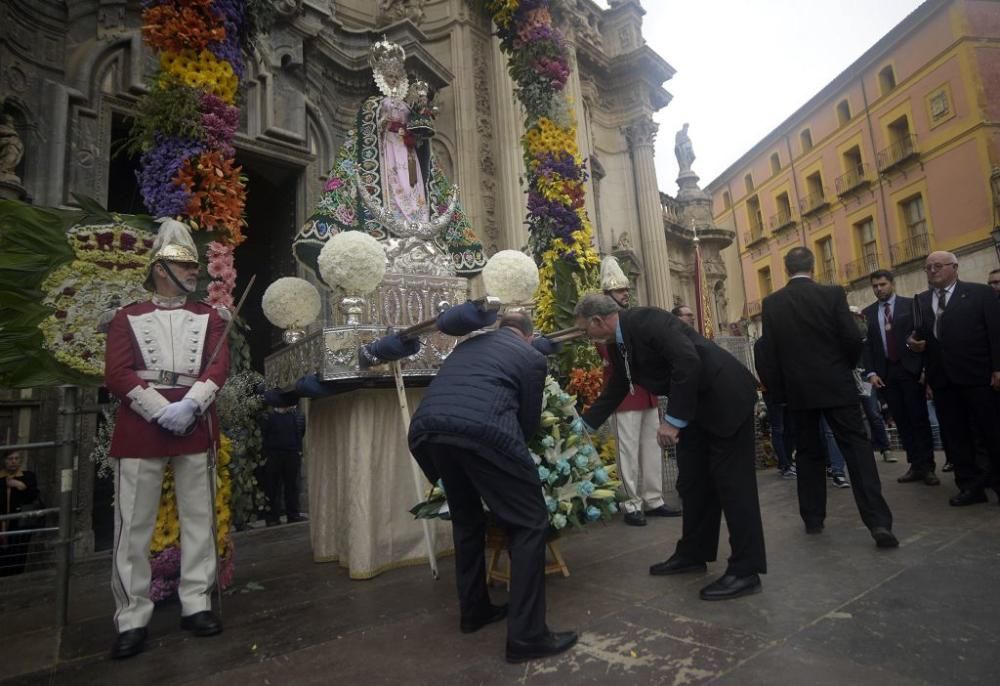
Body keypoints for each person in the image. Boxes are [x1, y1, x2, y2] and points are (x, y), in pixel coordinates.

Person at [408, 311, 577, 664]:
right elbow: (527, 422)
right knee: (529, 524)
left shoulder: (467, 346)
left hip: (428, 432)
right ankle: (528, 637)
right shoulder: (531, 357)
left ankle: (474, 612)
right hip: (484, 433)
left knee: (467, 521)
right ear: (528, 336)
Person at [576, 294, 766, 601]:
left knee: (734, 487)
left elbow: (687, 361)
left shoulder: (647, 320)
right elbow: (619, 386)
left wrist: (673, 421)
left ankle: (746, 570)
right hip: (697, 408)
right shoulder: (617, 342)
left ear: (598, 321)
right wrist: (583, 426)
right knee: (693, 483)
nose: (587, 336)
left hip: (724, 399)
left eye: (586, 330)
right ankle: (693, 552)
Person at [103, 219, 229, 659]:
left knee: (200, 518)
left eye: (196, 266)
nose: (195, 273)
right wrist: (161, 409)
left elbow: (218, 367)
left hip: (195, 420)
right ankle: (132, 616)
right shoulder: (126, 318)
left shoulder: (210, 317)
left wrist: (190, 406)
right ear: (161, 269)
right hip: (141, 423)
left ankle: (196, 602)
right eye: (185, 266)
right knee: (133, 526)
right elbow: (117, 373)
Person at [758, 247, 897, 549]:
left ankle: (813, 518)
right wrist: (843, 367)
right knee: (857, 450)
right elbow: (851, 338)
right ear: (813, 265)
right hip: (836, 385)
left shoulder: (772, 303)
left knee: (808, 453)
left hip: (798, 391)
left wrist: (780, 391)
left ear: (786, 268)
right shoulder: (832, 294)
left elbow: (768, 352)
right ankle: (878, 522)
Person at [908, 251, 1000, 506]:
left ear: (955, 267)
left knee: (990, 431)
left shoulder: (980, 294)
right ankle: (970, 486)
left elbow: (995, 331)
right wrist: (912, 343)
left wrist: (997, 368)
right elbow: (916, 335)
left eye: (938, 266)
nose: (933, 271)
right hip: (943, 380)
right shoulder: (922, 301)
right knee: (955, 436)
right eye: (928, 267)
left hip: (978, 376)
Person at [597, 257, 680, 526]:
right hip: (624, 394)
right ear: (608, 294)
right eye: (621, 291)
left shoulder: (634, 318)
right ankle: (631, 502)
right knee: (628, 451)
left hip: (646, 391)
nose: (626, 294)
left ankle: (653, 499)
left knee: (651, 447)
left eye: (625, 290)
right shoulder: (605, 325)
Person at [862, 270, 937, 485]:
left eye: (882, 284)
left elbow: (923, 336)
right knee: (902, 421)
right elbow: (867, 347)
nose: (879, 289)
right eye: (875, 286)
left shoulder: (909, 305)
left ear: (892, 284)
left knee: (919, 418)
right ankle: (915, 464)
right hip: (886, 374)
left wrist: (924, 369)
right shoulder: (868, 314)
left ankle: (928, 466)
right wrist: (872, 373)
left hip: (910, 369)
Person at [753, 337, 796, 479]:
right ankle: (785, 465)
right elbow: (762, 369)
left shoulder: (782, 339)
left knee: (789, 428)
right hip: (773, 394)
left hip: (787, 391)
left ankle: (788, 460)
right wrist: (775, 390)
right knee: (779, 429)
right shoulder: (761, 344)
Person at [260, 400, 307, 526]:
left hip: (291, 454)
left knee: (292, 486)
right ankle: (273, 517)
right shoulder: (268, 417)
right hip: (274, 455)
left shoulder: (295, 416)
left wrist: (298, 451)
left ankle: (293, 514)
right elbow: (264, 434)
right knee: (273, 487)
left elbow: (300, 433)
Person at [1, 450, 40, 576]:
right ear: (4, 460)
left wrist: (20, 486)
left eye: (16, 458)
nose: (13, 461)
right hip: (2, 522)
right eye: (10, 458)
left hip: (19, 523)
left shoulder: (28, 476)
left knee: (17, 553)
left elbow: (33, 496)